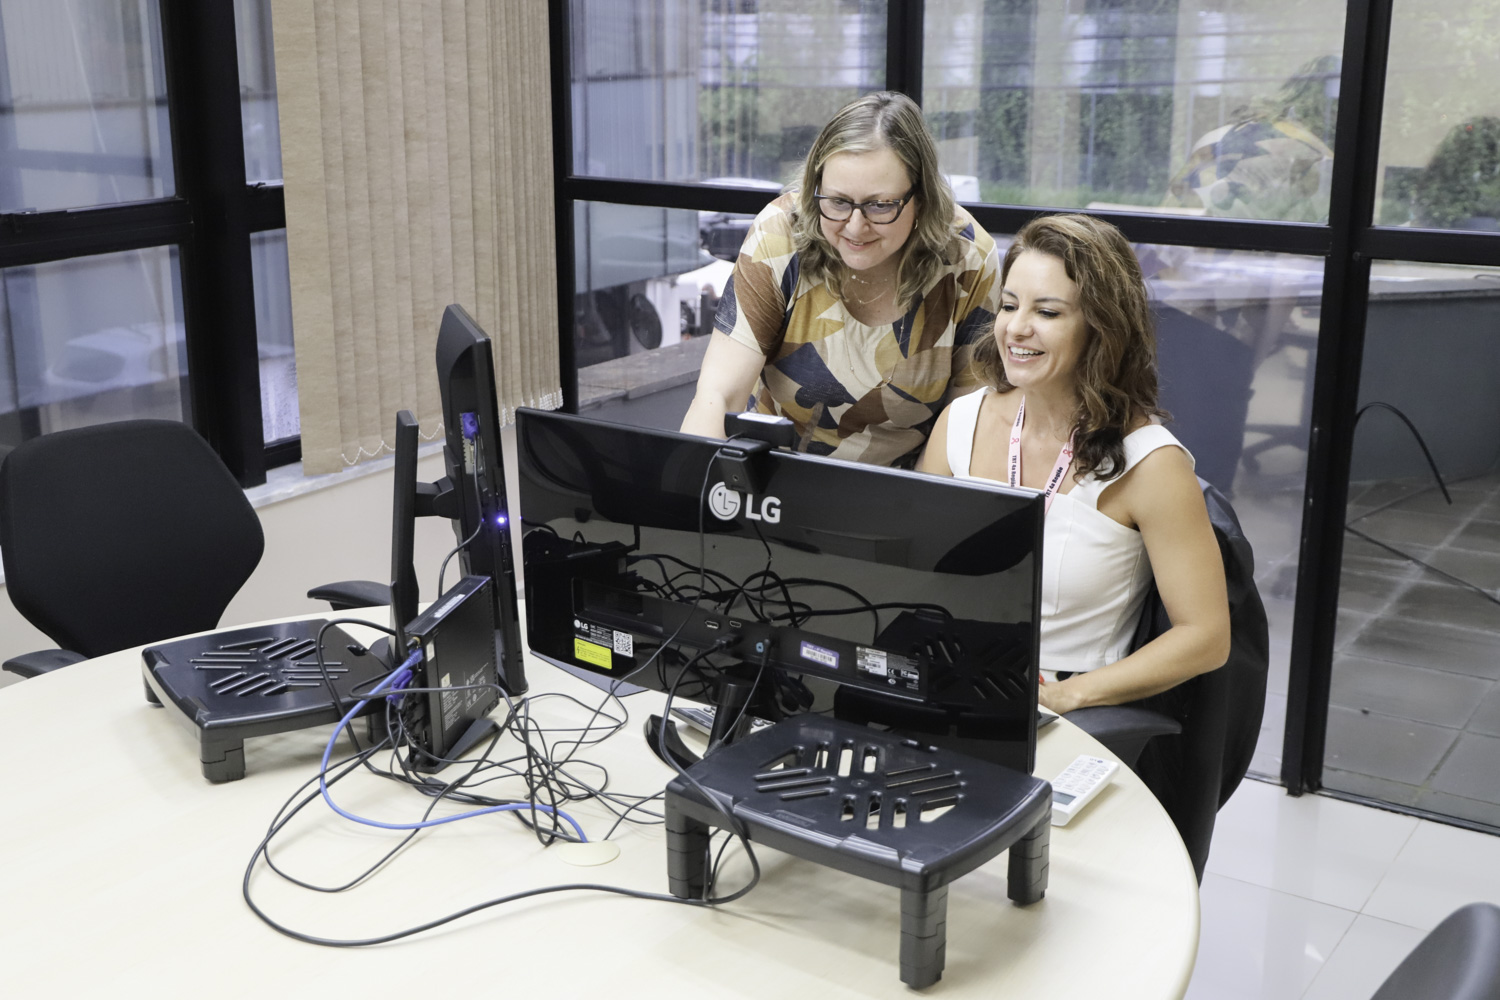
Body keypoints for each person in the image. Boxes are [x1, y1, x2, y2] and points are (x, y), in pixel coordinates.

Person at [919, 214, 1230, 715]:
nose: (1017, 328)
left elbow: (1207, 638)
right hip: (946, 678)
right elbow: (910, 571)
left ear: (1100, 328)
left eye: (1047, 312)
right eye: (1009, 305)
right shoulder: (960, 422)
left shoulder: (1153, 465)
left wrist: (1068, 696)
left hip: (1066, 704)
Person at [680, 91, 1000, 466]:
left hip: (905, 489)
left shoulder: (967, 258)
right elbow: (719, 394)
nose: (855, 226)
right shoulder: (782, 234)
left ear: (922, 198)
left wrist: (915, 514)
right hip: (769, 476)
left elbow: (967, 426)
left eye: (880, 205)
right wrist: (692, 496)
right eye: (837, 201)